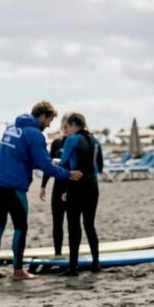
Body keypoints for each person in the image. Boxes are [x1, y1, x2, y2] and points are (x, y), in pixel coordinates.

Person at [0, 101, 82, 280]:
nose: (49, 125)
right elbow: (44, 165)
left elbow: (23, 156)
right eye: (49, 120)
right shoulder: (35, 134)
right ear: (42, 116)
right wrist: (69, 174)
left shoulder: (12, 128)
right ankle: (17, 271)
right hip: (13, 185)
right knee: (20, 226)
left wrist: (49, 162)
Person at [59, 112, 104, 276]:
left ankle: (73, 267)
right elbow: (100, 165)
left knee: (73, 226)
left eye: (67, 126)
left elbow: (63, 162)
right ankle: (96, 264)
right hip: (92, 185)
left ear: (72, 125)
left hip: (76, 185)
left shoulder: (72, 140)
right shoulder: (95, 140)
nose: (66, 129)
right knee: (89, 225)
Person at [39, 116, 71, 257]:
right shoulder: (57, 143)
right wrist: (43, 186)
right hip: (58, 186)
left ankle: (73, 252)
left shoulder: (77, 142)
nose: (65, 127)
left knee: (73, 222)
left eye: (67, 124)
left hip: (73, 186)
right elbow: (49, 164)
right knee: (57, 222)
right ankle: (58, 253)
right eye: (63, 123)